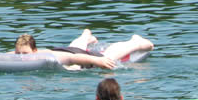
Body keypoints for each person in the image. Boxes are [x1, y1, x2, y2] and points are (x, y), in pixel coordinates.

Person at [13, 30, 154, 70]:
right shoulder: (17, 56)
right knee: (75, 46)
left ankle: (137, 42)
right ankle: (86, 36)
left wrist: (98, 60)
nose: (21, 57)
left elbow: (73, 58)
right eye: (18, 53)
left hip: (78, 56)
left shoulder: (47, 57)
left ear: (35, 51)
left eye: (25, 54)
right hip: (68, 49)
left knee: (110, 55)